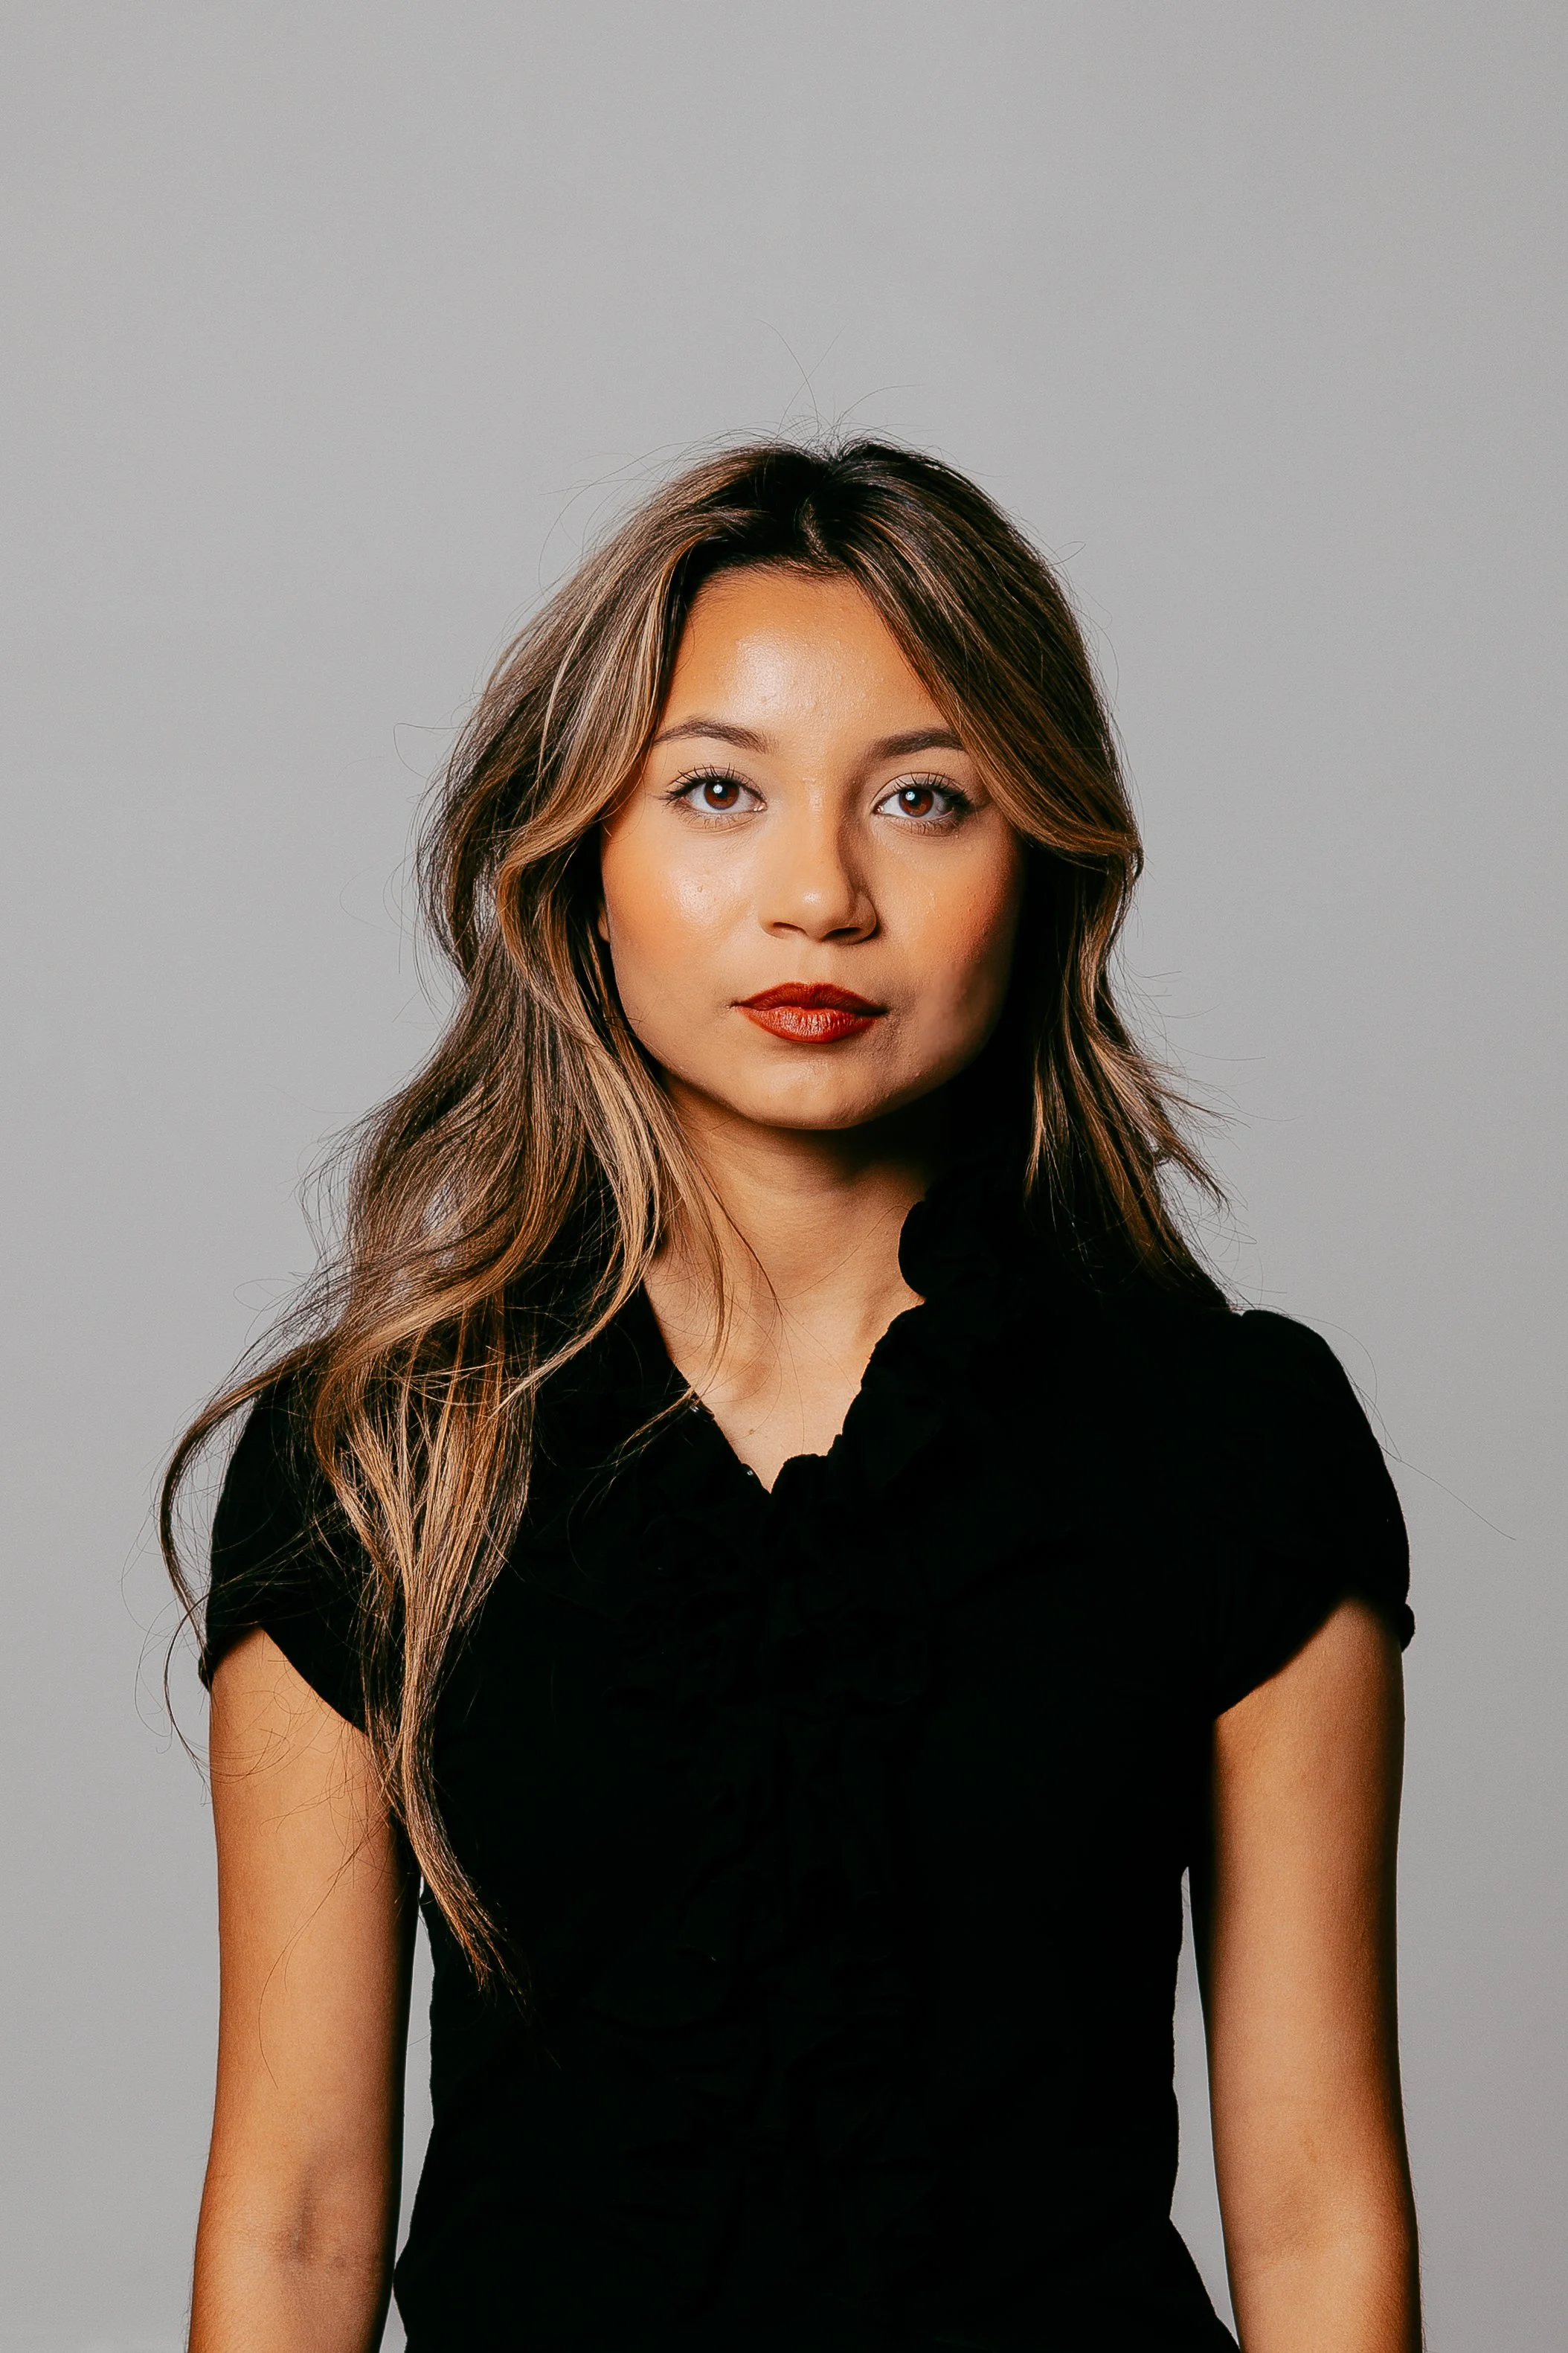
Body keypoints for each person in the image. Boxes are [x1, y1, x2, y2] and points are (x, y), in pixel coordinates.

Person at [164, 439, 1421, 2352]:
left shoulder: (1230, 1445)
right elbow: (296, 2219)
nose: (820, 893)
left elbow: (1321, 2214)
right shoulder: (385, 1458)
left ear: (1044, 867)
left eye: (925, 798)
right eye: (718, 792)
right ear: (584, 861)